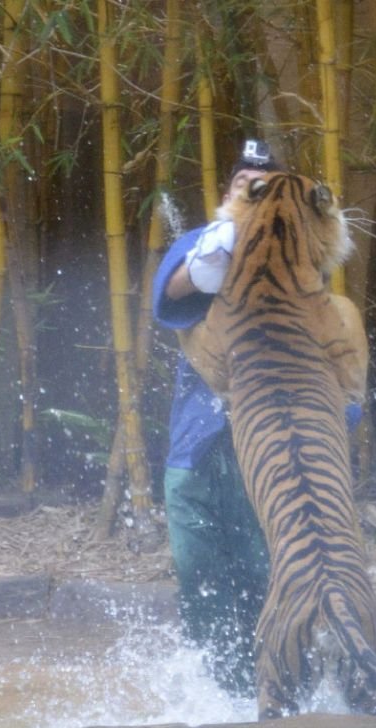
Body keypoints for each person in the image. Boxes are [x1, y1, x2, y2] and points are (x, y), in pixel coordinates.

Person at [151, 138, 283, 695]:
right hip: (196, 455)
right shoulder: (199, 246)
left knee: (263, 580)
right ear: (226, 191)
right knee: (200, 581)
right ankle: (215, 697)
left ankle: (269, 690)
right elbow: (175, 294)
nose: (251, 190)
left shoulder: (293, 272)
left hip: (265, 457)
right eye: (242, 182)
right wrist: (227, 236)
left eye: (264, 185)